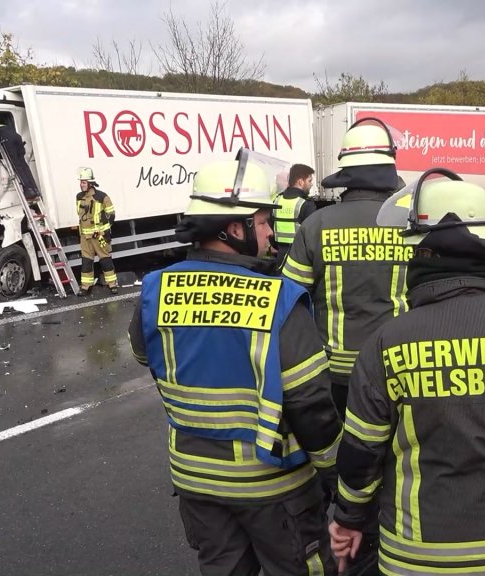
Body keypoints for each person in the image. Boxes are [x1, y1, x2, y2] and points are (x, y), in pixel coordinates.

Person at [328, 170, 485, 576]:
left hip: (414, 557)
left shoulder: (385, 343)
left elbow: (362, 454)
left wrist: (348, 519)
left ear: (421, 253)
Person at [128, 151, 342, 576]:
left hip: (194, 480)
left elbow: (145, 355)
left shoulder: (155, 290)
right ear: (233, 228)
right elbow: (311, 405)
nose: (270, 234)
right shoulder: (278, 300)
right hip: (272, 484)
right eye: (263, 222)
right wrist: (340, 475)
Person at [281, 117, 410, 575]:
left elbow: (289, 302)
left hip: (335, 375)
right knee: (395, 458)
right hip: (400, 371)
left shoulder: (316, 225)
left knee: (345, 461)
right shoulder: (412, 221)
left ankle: (349, 536)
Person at [76, 167, 118, 295]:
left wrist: (103, 231)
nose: (81, 184)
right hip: (85, 237)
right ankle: (85, 287)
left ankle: (112, 285)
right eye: (81, 182)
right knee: (86, 262)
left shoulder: (102, 197)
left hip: (99, 236)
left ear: (90, 183)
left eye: (84, 182)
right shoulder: (79, 197)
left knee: (105, 260)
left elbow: (111, 215)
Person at [272, 163, 317, 266]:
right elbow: (313, 235)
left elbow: (271, 226)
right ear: (301, 182)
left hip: (280, 256)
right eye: (309, 181)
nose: (311, 184)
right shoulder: (305, 204)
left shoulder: (277, 200)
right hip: (299, 258)